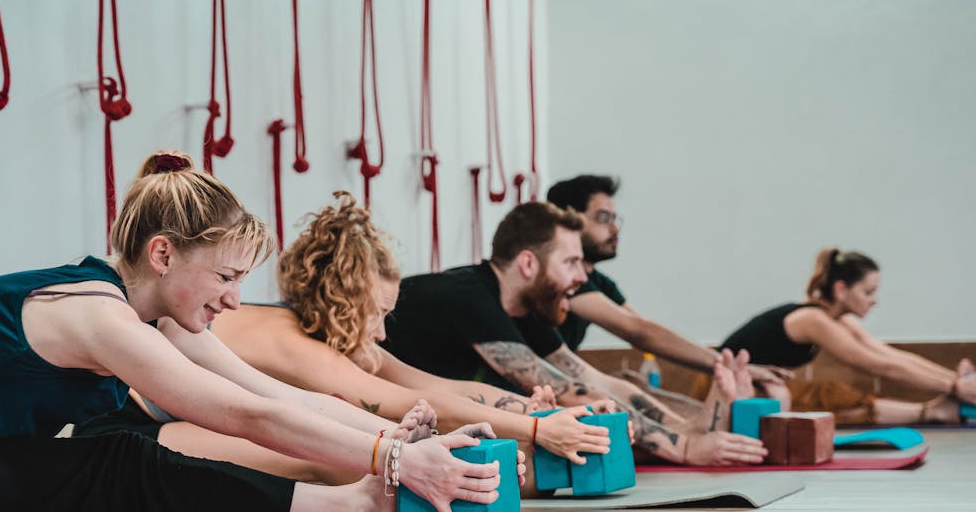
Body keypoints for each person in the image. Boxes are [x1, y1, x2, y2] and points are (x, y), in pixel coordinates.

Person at [0, 151, 500, 512]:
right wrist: (395, 461)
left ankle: (362, 499)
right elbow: (243, 417)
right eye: (226, 276)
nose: (236, 300)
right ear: (163, 254)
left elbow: (281, 395)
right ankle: (353, 511)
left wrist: (407, 442)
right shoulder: (99, 315)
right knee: (121, 463)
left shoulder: (158, 317)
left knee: (122, 454)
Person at [76, 193, 614, 491]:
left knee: (357, 448)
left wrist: (527, 410)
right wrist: (534, 430)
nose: (380, 332)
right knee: (337, 460)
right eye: (376, 315)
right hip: (126, 434)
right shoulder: (293, 342)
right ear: (343, 305)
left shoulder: (338, 343)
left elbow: (428, 386)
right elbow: (384, 405)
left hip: (187, 424)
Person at [381, 200, 767, 466]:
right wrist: (685, 449)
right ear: (529, 263)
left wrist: (691, 426)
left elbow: (595, 380)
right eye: (571, 263)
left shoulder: (523, 307)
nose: (582, 277)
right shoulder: (468, 296)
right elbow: (570, 391)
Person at [546, 174, 790, 399]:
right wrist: (726, 365)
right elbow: (638, 332)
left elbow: (642, 326)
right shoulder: (562, 277)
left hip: (560, 384)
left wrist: (730, 368)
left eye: (615, 218)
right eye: (603, 218)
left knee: (635, 387)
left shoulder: (597, 281)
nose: (615, 228)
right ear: (570, 220)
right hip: (539, 393)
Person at [718, 248, 976, 424]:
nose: (874, 300)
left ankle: (940, 409)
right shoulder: (812, 319)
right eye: (868, 292)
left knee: (826, 396)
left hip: (756, 386)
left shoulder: (837, 318)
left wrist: (956, 381)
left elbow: (890, 355)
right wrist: (956, 388)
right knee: (830, 398)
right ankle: (935, 411)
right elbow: (878, 367)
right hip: (719, 387)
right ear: (841, 290)